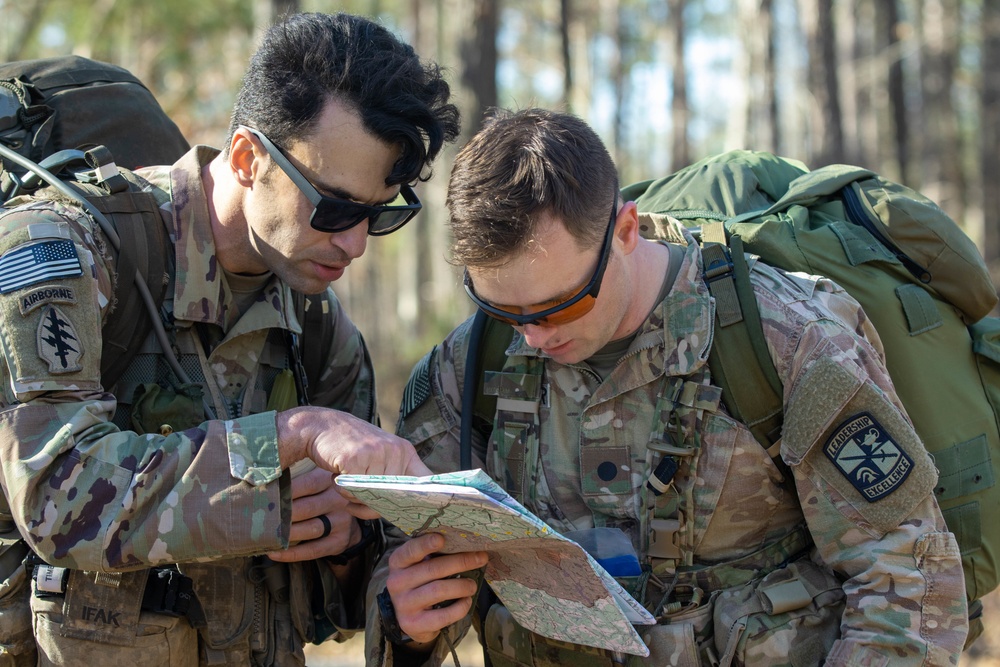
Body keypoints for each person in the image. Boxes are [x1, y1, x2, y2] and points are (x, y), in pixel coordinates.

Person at [367, 108, 969, 666]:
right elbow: (410, 567)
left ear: (625, 231)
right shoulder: (466, 364)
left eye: (559, 306)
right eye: (500, 308)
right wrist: (407, 621)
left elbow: (906, 578)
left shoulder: (786, 340)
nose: (530, 337)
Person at [0, 12, 459, 667]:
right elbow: (55, 494)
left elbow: (358, 585)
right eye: (333, 208)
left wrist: (386, 591)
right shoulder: (69, 249)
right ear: (248, 158)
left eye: (380, 214)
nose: (355, 243)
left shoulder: (319, 332)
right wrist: (285, 444)